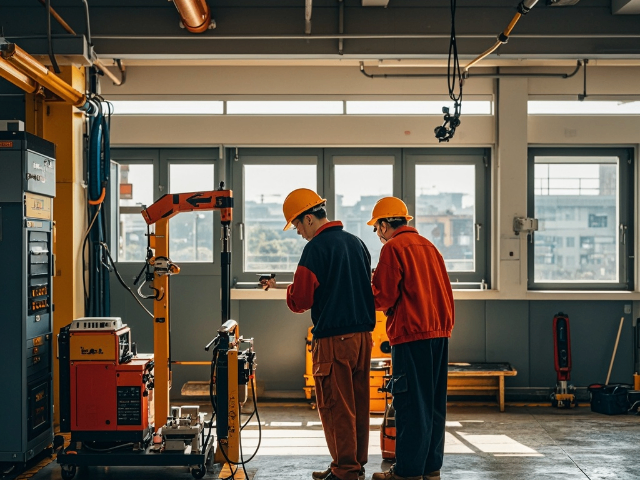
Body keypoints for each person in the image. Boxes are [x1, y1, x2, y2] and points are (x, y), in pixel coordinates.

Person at [264, 188, 375, 480]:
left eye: (298, 225)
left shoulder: (315, 249)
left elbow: (300, 301)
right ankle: (353, 464)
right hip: (363, 338)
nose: (298, 232)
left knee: (336, 405)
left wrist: (286, 289)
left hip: (333, 341)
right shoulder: (358, 243)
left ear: (309, 218)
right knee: (358, 404)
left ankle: (345, 469)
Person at [368, 197, 455, 480]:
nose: (378, 235)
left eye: (376, 228)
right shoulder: (430, 247)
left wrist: (369, 287)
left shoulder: (394, 248)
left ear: (384, 224)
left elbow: (383, 297)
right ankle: (431, 468)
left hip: (410, 334)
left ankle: (407, 472)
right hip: (439, 333)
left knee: (409, 404)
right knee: (432, 404)